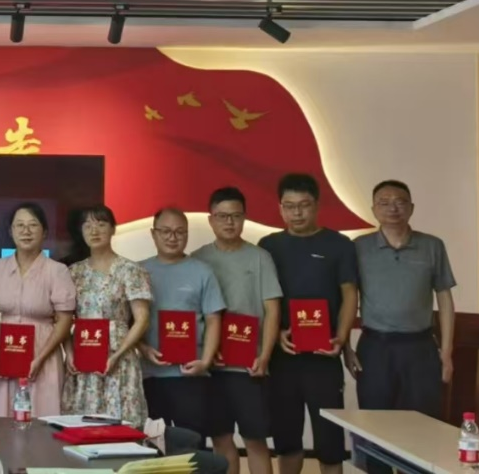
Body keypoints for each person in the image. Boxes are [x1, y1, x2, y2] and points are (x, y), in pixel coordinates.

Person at [346, 180, 456, 472]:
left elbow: (445, 298)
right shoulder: (359, 248)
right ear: (373, 209)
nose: (392, 208)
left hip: (420, 347)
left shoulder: (432, 245)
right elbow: (348, 299)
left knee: (424, 425)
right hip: (375, 347)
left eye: (400, 202)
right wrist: (346, 346)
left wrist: (446, 353)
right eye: (384, 202)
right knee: (375, 425)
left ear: (411, 207)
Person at [259, 173, 359, 474]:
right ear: (280, 208)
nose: (297, 213)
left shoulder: (339, 244)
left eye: (304, 205)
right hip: (283, 358)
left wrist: (341, 338)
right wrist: (276, 335)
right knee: (287, 439)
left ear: (317, 205)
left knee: (330, 442)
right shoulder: (269, 245)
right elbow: (263, 299)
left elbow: (349, 294)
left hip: (323, 356)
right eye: (289, 206)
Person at [192, 187, 282, 474]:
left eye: (236, 216)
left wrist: (265, 357)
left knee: (255, 440)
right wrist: (205, 352)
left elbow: (272, 310)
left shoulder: (260, 257)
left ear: (244, 218)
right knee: (220, 438)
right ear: (211, 219)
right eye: (222, 216)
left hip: (250, 366)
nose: (229, 222)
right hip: (213, 368)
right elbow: (193, 314)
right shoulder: (198, 259)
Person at [0, 202, 75, 417]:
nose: (26, 231)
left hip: (43, 355)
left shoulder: (57, 271)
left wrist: (40, 359)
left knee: (41, 420)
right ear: (11, 231)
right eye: (20, 225)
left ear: (44, 232)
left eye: (33, 225)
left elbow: (64, 320)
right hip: (4, 355)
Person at [60, 205, 152, 426]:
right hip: (83, 355)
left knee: (121, 424)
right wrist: (69, 352)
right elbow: (62, 318)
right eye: (88, 226)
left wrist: (117, 354)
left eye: (101, 224)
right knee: (82, 424)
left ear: (113, 229)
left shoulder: (130, 270)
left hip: (118, 355)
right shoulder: (73, 272)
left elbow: (142, 319)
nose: (94, 231)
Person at [140, 207, 225, 442]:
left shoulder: (202, 271)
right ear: (153, 234)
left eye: (179, 232)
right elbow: (128, 322)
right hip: (150, 375)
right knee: (154, 445)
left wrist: (205, 361)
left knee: (193, 444)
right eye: (165, 231)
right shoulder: (138, 272)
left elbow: (213, 319)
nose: (172, 237)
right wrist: (143, 348)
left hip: (191, 375)